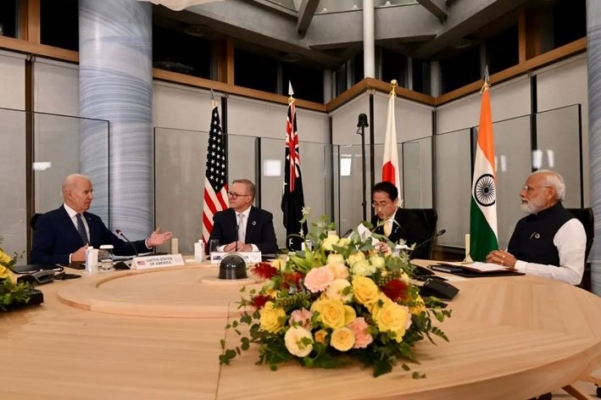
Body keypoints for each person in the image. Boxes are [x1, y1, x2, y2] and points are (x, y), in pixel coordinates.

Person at [31, 174, 173, 266]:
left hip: (95, 283)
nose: (91, 197)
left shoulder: (94, 220)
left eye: (91, 191)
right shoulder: (48, 221)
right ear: (70, 195)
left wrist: (148, 242)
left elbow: (119, 247)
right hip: (65, 285)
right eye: (86, 192)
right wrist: (71, 258)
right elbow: (37, 259)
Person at [486, 170, 586, 286]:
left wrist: (517, 265)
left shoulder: (570, 225)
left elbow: (573, 276)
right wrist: (497, 260)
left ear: (549, 192)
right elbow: (509, 260)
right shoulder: (523, 223)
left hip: (549, 296)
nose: (522, 193)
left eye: (529, 189)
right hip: (514, 288)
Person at [208, 179, 278, 254]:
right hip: (229, 262)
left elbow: (272, 246)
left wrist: (249, 247)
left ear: (248, 198)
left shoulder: (263, 217)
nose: (231, 197)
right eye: (230, 193)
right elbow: (210, 246)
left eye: (236, 195)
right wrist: (225, 248)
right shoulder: (221, 217)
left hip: (254, 263)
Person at [370, 181, 430, 259]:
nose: (379, 209)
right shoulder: (375, 220)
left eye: (383, 204)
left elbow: (420, 251)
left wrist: (393, 251)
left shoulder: (411, 220)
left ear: (395, 201)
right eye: (376, 204)